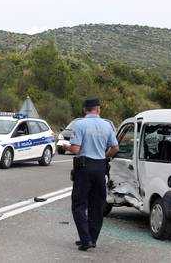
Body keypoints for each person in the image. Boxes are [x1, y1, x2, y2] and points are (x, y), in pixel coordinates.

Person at [63, 97, 119, 251]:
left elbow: (75, 149)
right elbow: (115, 148)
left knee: (79, 204)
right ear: (98, 109)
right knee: (97, 204)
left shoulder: (80, 124)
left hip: (84, 167)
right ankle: (92, 239)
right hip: (100, 167)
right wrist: (105, 155)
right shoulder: (107, 125)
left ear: (84, 110)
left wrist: (66, 147)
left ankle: (85, 239)